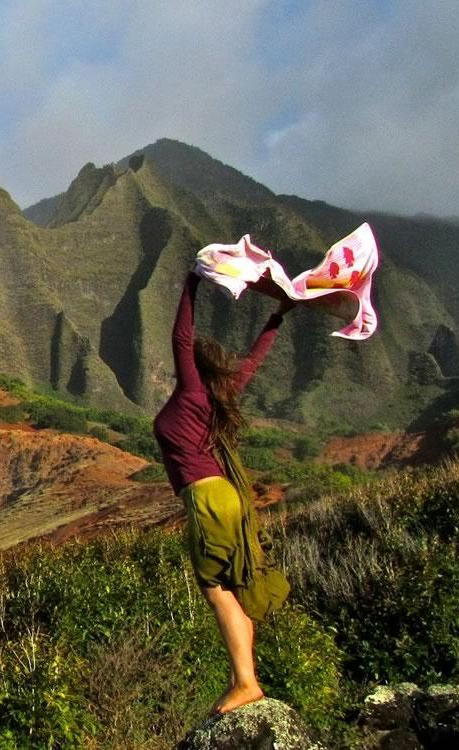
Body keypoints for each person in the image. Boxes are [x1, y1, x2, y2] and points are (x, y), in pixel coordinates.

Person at [153, 269, 294, 715]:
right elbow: (253, 360)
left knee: (216, 591)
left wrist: (192, 282)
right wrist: (278, 316)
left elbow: (181, 335)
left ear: (194, 365)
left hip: (209, 500)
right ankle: (242, 679)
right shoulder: (222, 394)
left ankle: (246, 682)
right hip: (227, 496)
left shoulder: (192, 391)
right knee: (232, 587)